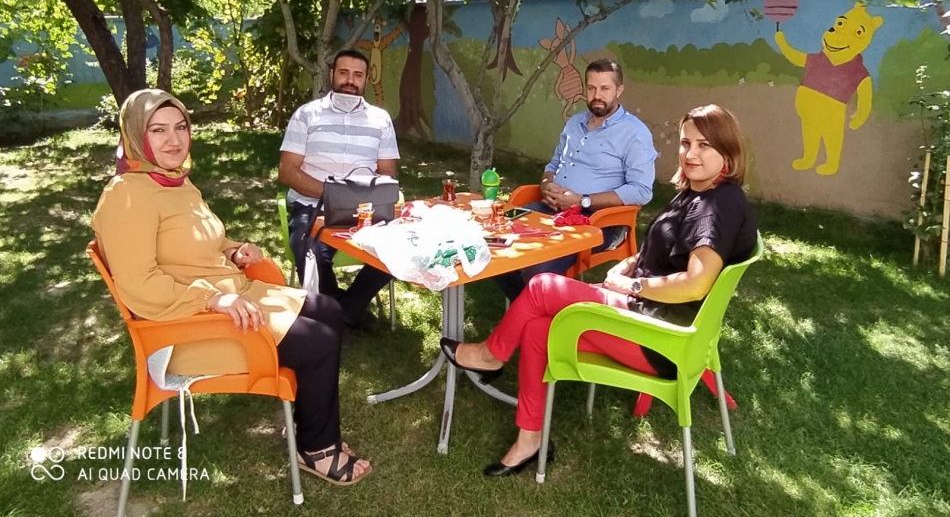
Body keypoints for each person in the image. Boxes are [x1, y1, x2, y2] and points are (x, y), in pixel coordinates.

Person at [441, 104, 757, 477]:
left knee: (542, 287)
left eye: (704, 145)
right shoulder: (698, 192)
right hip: (646, 319)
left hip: (660, 339)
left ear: (728, 153)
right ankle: (530, 440)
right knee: (537, 329)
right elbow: (668, 251)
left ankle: (491, 355)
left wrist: (633, 284)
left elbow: (695, 283)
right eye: (686, 143)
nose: (690, 154)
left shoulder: (717, 206)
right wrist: (631, 263)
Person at [91, 89, 371, 485]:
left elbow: (202, 240)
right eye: (158, 130)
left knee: (328, 309)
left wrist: (233, 250)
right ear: (136, 135)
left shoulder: (175, 182)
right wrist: (213, 298)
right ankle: (317, 448)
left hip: (225, 301)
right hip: (184, 331)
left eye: (181, 127)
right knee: (318, 341)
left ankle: (308, 421)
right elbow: (139, 285)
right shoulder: (126, 197)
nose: (174, 140)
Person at [495, 58, 657, 301]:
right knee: (498, 244)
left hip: (596, 220)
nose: (597, 95)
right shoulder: (575, 123)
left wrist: (582, 200)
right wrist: (546, 184)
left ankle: (537, 314)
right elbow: (553, 165)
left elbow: (641, 191)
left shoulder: (635, 133)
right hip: (551, 208)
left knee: (536, 268)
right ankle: (532, 313)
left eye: (605, 88)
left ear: (619, 90)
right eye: (591, 88)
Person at [278, 49, 399, 330]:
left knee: (400, 249)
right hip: (313, 205)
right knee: (310, 252)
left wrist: (361, 198)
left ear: (366, 79)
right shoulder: (306, 115)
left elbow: (388, 173)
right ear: (332, 74)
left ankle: (343, 311)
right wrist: (333, 195)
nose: (350, 81)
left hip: (365, 209)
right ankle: (347, 310)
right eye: (344, 73)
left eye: (357, 75)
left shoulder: (380, 119)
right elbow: (287, 170)